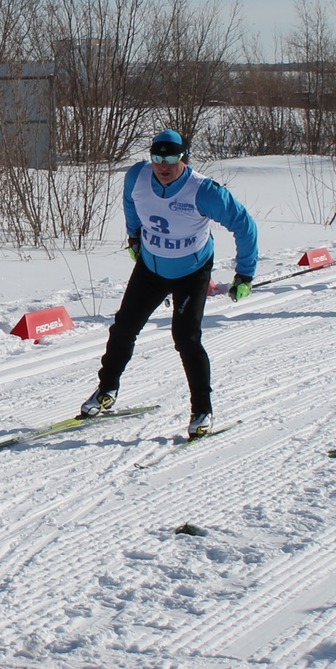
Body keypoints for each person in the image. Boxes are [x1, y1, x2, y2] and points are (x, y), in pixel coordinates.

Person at [79, 129, 259, 439]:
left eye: (171, 158)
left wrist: (244, 274)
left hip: (192, 271)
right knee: (123, 327)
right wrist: (134, 235)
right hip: (151, 267)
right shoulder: (137, 176)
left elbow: (245, 225)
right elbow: (130, 203)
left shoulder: (203, 191)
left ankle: (202, 410)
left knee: (185, 338)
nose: (163, 166)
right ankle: (107, 390)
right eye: (157, 158)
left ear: (184, 158)